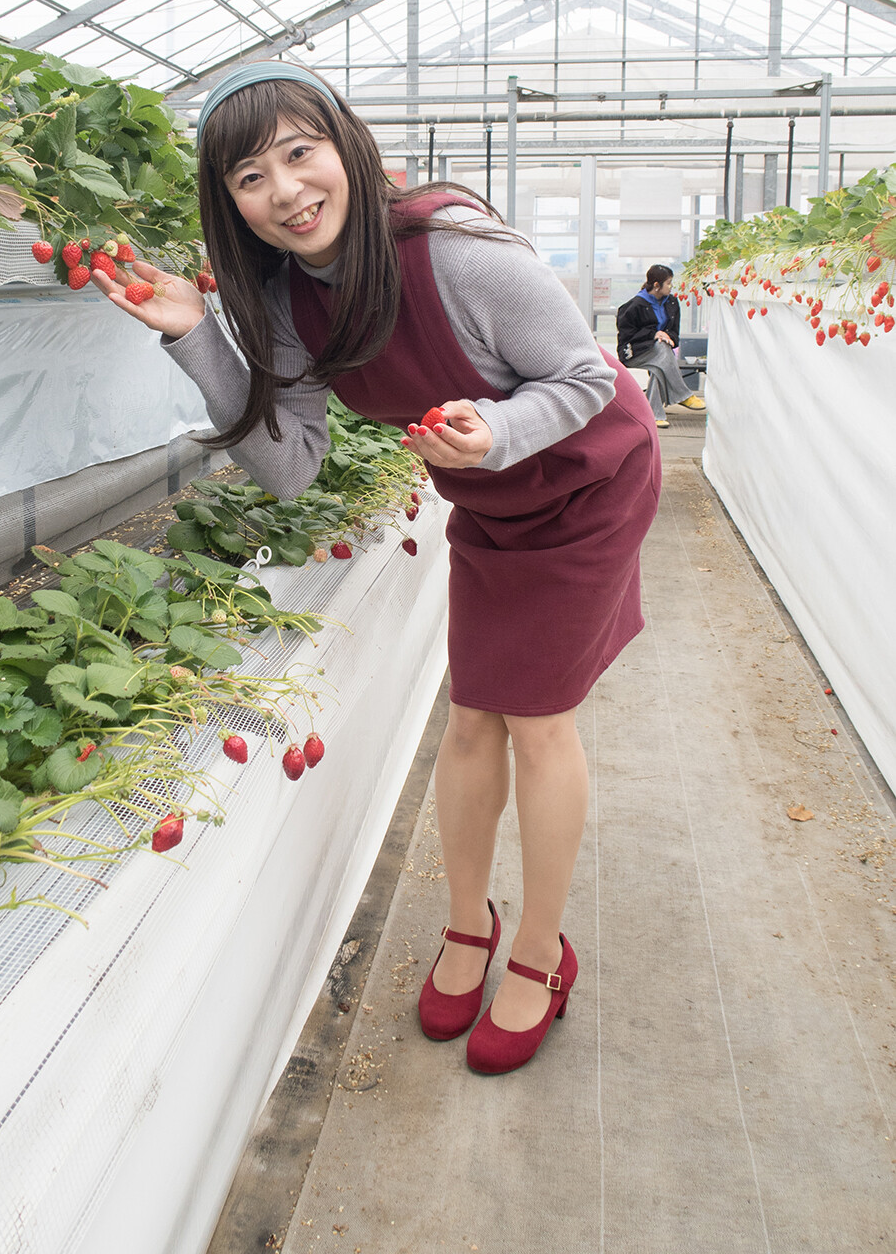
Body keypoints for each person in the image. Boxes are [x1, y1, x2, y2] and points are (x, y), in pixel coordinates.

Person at [92, 62, 662, 1077]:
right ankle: (467, 923)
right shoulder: (282, 301)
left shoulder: (459, 256)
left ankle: (540, 951)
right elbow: (289, 467)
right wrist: (197, 338)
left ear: (345, 146)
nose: (286, 191)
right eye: (250, 177)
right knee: (472, 714)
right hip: (488, 500)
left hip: (586, 483)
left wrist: (496, 431)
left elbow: (585, 377)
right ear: (229, 201)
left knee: (534, 719)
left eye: (299, 153)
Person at [616, 264, 705, 428]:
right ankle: (683, 394)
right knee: (663, 350)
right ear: (656, 285)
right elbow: (626, 338)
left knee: (659, 366)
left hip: (661, 355)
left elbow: (675, 334)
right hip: (635, 353)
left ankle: (654, 415)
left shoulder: (672, 303)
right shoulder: (633, 306)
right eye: (668, 283)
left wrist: (667, 337)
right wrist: (654, 334)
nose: (671, 287)